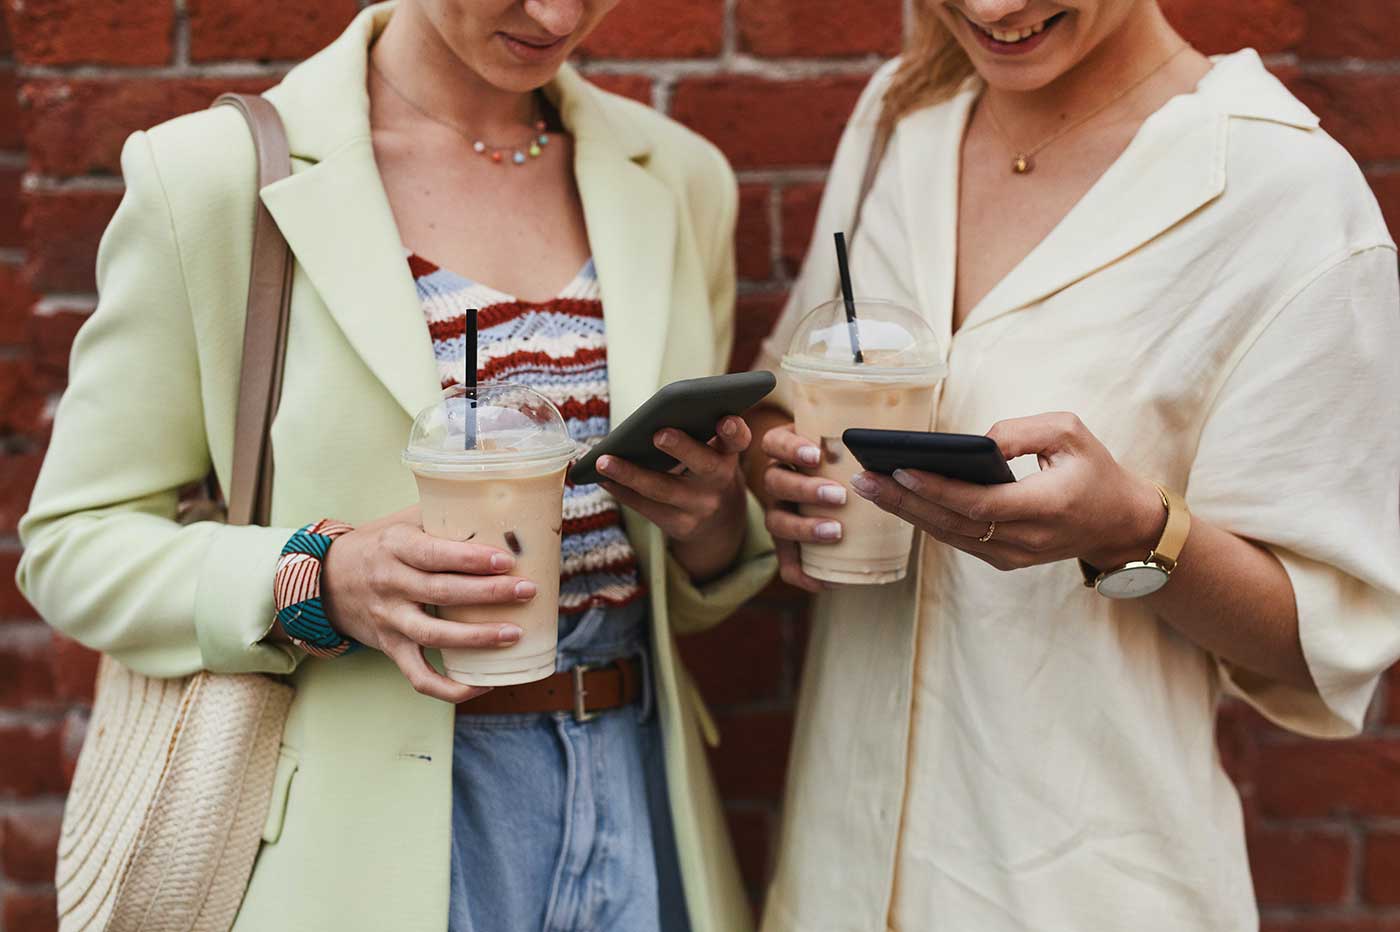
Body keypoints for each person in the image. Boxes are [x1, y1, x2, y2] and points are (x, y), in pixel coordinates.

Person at [17, 2, 775, 930]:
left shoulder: (679, 176)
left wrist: (711, 524)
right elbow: (72, 544)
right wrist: (319, 579)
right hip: (355, 832)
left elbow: (680, 576)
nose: (558, 15)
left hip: (636, 781)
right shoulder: (212, 176)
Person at [747, 0, 1400, 929]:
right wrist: (780, 481)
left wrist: (1133, 530)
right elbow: (794, 393)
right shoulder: (903, 112)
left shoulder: (1283, 188)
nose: (993, 9)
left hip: (1082, 888)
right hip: (838, 878)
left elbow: (1322, 642)